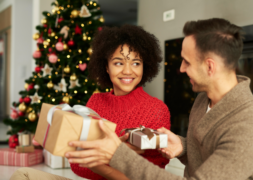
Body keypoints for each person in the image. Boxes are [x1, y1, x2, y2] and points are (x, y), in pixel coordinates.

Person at [65, 18, 253, 180]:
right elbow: (209, 153)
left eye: (186, 62)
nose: (181, 69)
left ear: (209, 66)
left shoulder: (251, 129)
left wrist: (114, 155)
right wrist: (184, 147)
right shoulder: (204, 101)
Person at [10, 25, 170, 180]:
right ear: (106, 67)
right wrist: (109, 157)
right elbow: (78, 167)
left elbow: (152, 177)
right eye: (118, 63)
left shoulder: (156, 110)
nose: (128, 71)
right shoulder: (96, 102)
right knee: (23, 175)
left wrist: (104, 157)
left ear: (145, 66)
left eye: (136, 63)